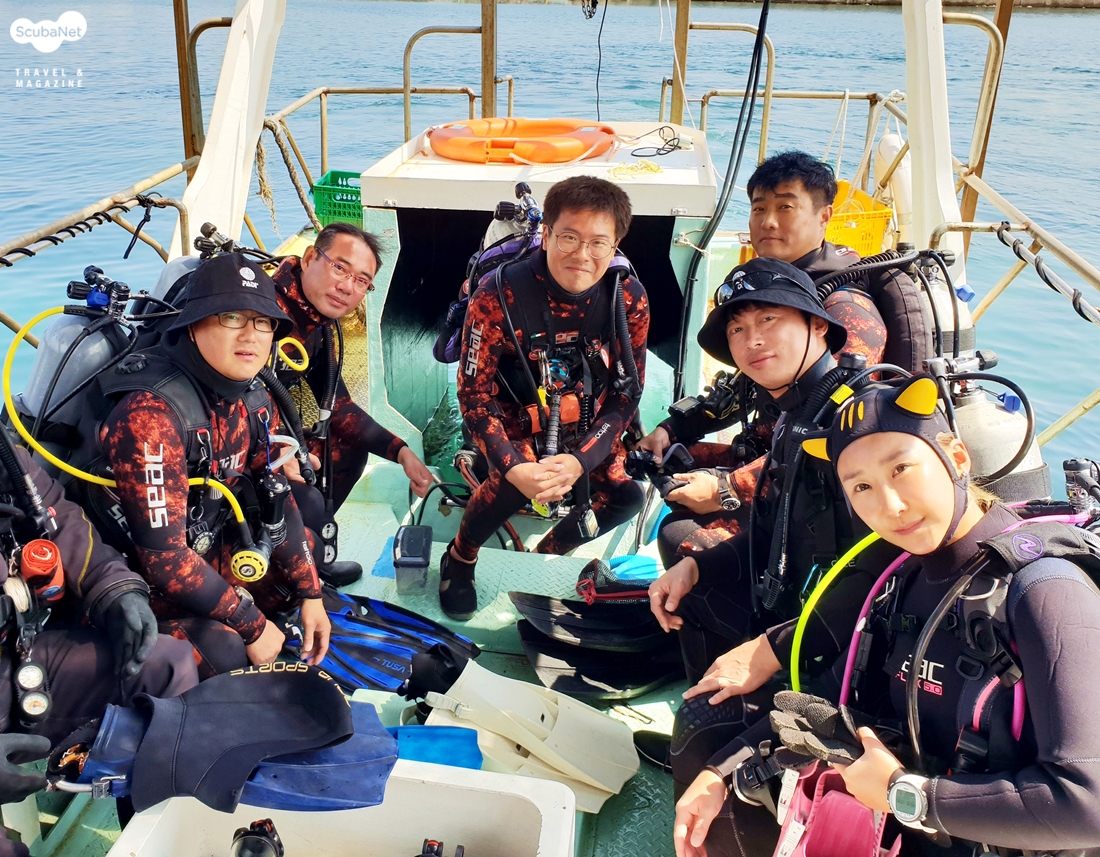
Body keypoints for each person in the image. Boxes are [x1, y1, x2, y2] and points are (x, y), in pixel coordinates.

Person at [672, 376, 1100, 857]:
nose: (891, 506)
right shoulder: (904, 576)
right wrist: (718, 771)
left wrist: (908, 795)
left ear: (957, 458)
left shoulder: (1045, 591)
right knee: (709, 734)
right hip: (918, 819)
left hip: (993, 833)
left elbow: (1088, 806)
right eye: (862, 486)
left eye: (902, 469)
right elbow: (829, 694)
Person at [637, 150, 933, 565]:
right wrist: (672, 429)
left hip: (818, 484)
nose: (768, 222)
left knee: (682, 538)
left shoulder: (846, 309)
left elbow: (841, 433)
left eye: (785, 207)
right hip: (769, 448)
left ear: (824, 216)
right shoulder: (771, 288)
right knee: (662, 461)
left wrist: (728, 489)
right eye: (759, 209)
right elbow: (744, 388)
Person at [78, 252, 330, 679]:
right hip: (138, 588)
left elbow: (276, 492)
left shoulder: (252, 397)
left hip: (206, 549)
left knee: (306, 556)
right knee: (224, 649)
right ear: (193, 326)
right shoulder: (151, 417)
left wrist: (311, 593)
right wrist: (251, 626)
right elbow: (164, 561)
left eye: (263, 322)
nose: (250, 335)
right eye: (231, 317)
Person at [647, 258, 890, 689]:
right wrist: (697, 568)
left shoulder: (863, 422)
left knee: (698, 728)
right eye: (737, 328)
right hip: (795, 605)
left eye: (768, 319)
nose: (752, 340)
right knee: (690, 583)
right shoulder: (796, 416)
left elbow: (883, 574)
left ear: (818, 325)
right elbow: (773, 528)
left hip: (855, 650)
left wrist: (770, 650)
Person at [445, 175, 649, 620]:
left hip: (585, 412)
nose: (582, 255)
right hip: (513, 412)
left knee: (627, 497)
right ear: (546, 232)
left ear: (616, 244)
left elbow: (627, 392)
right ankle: (460, 555)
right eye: (569, 238)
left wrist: (581, 461)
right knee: (509, 488)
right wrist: (515, 468)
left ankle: (545, 554)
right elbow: (474, 395)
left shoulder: (626, 296)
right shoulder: (497, 294)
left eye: (598, 243)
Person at [0, 435, 198, 857]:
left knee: (167, 665)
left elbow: (56, 513)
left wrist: (115, 590)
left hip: (12, 660)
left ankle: (152, 841)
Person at [270, 222, 435, 585]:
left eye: (362, 280)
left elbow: (340, 408)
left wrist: (402, 452)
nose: (347, 286)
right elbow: (221, 399)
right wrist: (271, 452)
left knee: (348, 447)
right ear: (310, 258)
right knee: (307, 502)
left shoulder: (315, 323)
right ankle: (290, 580)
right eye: (340, 268)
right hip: (219, 448)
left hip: (266, 439)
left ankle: (313, 559)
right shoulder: (261, 308)